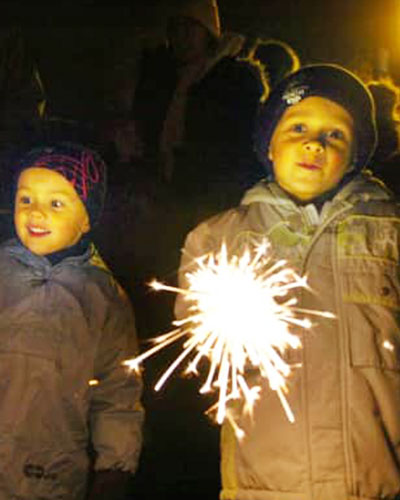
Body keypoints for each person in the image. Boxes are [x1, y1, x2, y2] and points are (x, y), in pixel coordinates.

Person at [175, 64, 400, 500]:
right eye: (297, 127)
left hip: (377, 482)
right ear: (270, 146)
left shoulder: (390, 232)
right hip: (265, 484)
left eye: (335, 135)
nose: (315, 142)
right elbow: (195, 342)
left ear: (354, 156)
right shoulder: (221, 236)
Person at [0, 142, 143, 500]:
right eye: (26, 199)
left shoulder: (102, 297)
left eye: (56, 203)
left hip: (51, 472)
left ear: (87, 218)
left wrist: (115, 465)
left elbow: (117, 390)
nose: (36, 213)